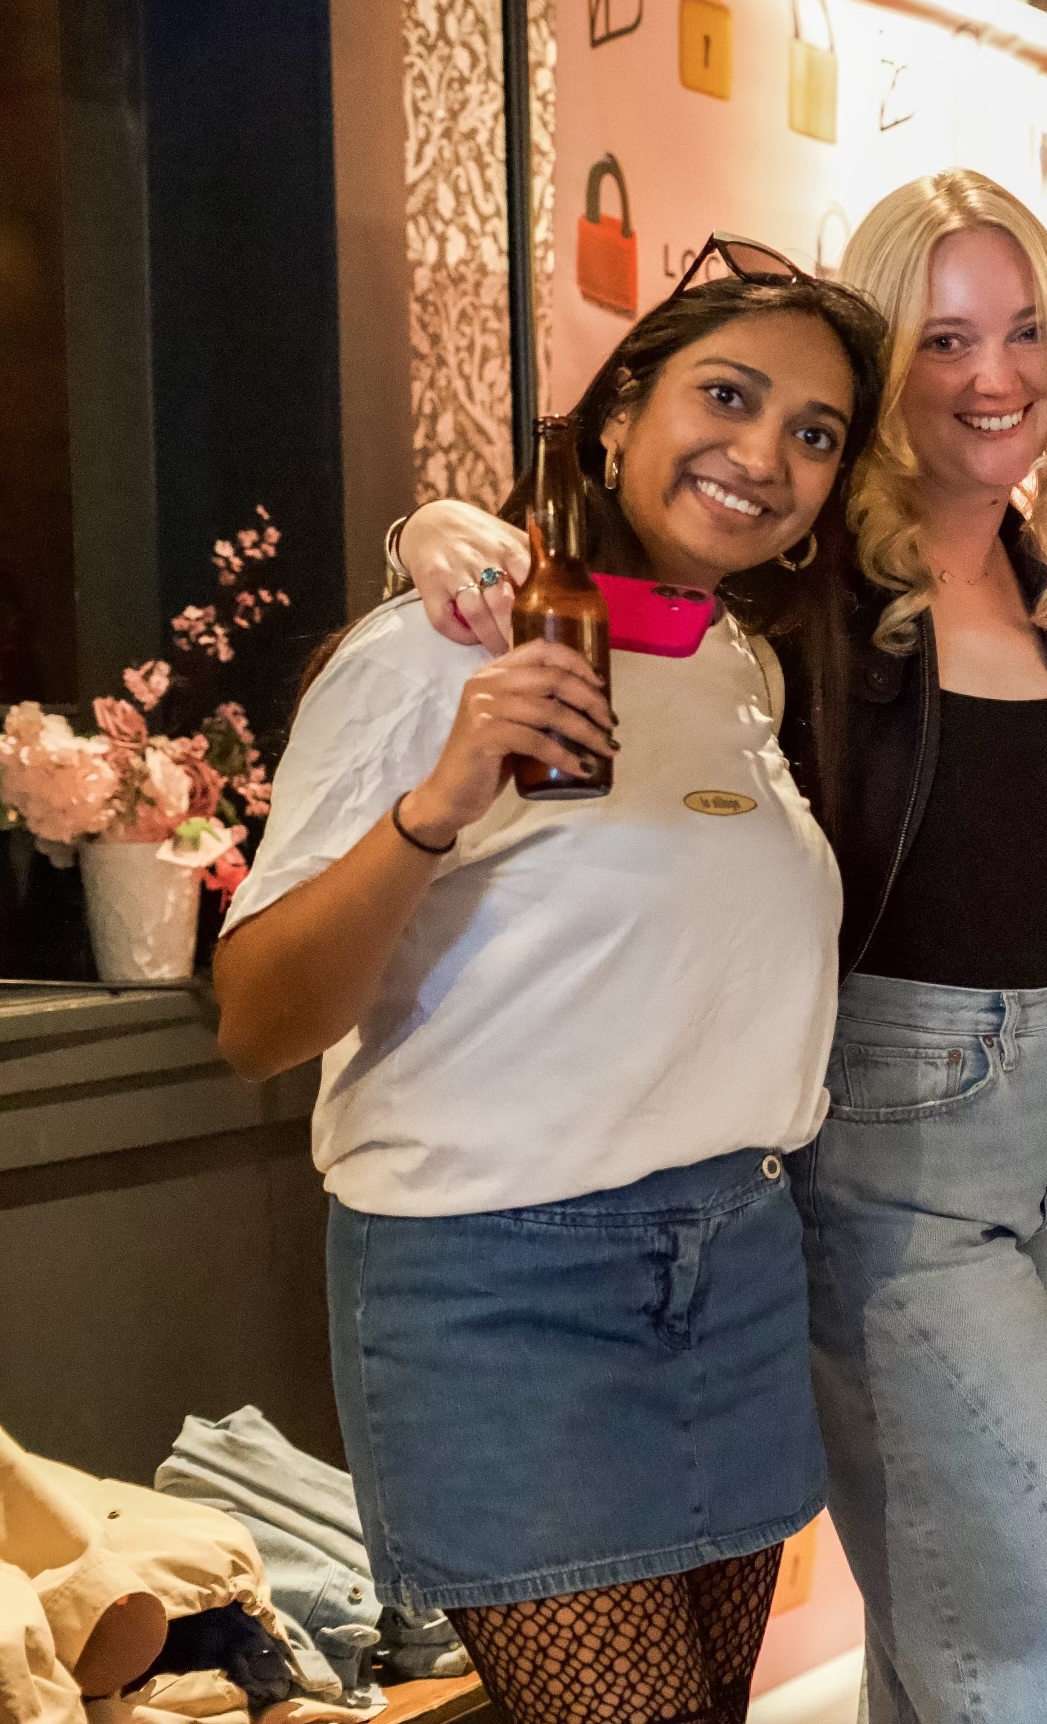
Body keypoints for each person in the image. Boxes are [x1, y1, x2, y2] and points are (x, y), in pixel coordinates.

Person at [390, 172, 1047, 1724]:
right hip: (884, 1176)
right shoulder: (793, 585)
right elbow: (575, 564)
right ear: (879, 364)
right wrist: (445, 529)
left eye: (1029, 330)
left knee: (946, 1661)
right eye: (948, 337)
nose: (997, 376)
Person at [214, 243, 890, 1724]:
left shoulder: (739, 672)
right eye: (728, 394)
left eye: (815, 432)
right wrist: (441, 798)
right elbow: (259, 1020)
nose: (763, 452)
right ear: (623, 408)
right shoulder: (430, 654)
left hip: (734, 1261)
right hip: (503, 1287)